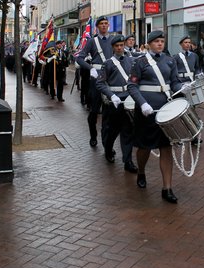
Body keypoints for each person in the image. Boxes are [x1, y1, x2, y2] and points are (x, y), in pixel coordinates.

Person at [127, 30, 186, 203]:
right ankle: (141, 171)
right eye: (156, 41)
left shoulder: (170, 60)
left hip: (166, 110)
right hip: (147, 110)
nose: (160, 44)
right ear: (149, 43)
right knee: (144, 147)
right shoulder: (140, 62)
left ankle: (167, 188)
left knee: (166, 147)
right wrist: (142, 103)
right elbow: (132, 85)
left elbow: (174, 82)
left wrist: (182, 88)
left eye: (162, 41)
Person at [96, 35, 138, 173]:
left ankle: (128, 161)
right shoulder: (107, 63)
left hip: (128, 101)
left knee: (128, 131)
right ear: (113, 47)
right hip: (114, 102)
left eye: (121, 45)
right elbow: (100, 83)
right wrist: (111, 95)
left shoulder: (131, 61)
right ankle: (108, 149)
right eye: (117, 46)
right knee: (112, 131)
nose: (119, 48)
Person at [75, 16, 113, 147]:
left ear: (108, 26)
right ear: (97, 26)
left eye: (106, 23)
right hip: (96, 79)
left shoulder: (114, 40)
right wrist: (90, 68)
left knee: (109, 111)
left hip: (111, 78)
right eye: (101, 24)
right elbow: (79, 58)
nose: (104, 26)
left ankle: (106, 141)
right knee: (94, 110)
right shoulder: (92, 41)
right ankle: (93, 135)